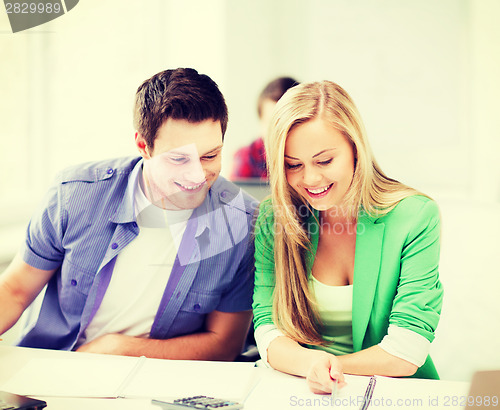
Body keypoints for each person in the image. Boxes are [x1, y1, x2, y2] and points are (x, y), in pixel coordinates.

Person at [0, 68, 257, 361]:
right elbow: (15, 290)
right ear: (143, 146)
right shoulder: (74, 195)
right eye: (178, 159)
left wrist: (118, 349)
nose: (197, 175)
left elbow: (224, 345)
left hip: (161, 383)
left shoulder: (242, 223)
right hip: (56, 368)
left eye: (210, 156)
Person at [252, 80, 444, 394]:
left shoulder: (415, 217)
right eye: (293, 165)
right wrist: (311, 368)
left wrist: (325, 368)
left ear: (355, 148)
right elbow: (268, 329)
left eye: (324, 161)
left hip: (394, 394)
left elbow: (406, 351)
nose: (310, 179)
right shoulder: (275, 218)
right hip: (302, 392)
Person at [231, 76, 299, 180]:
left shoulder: (311, 154)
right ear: (261, 121)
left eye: (286, 123)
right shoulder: (247, 156)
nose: (278, 131)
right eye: (270, 123)